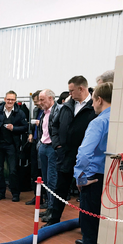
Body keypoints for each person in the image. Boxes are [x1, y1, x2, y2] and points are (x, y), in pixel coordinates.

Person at [70, 82, 112, 244]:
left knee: (89, 229)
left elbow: (84, 153)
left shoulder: (98, 122)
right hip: (111, 179)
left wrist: (80, 178)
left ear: (99, 99)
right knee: (105, 228)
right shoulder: (120, 120)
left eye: (93, 100)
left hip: (93, 179)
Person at [44, 76, 97, 227]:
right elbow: (54, 126)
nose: (70, 94)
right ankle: (53, 219)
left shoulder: (94, 107)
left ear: (81, 89)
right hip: (65, 155)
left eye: (72, 90)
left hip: (85, 158)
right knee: (60, 188)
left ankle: (84, 225)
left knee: (85, 191)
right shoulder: (67, 106)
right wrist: (57, 145)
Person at [0, 90, 28, 202]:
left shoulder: (20, 113)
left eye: (12, 99)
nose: (10, 101)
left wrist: (14, 128)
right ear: (4, 99)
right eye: (8, 99)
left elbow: (25, 127)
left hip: (12, 145)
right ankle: (0, 192)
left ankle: (15, 193)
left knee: (13, 170)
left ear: (15, 100)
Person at [36, 89, 60, 223]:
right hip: (43, 146)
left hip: (52, 148)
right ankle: (49, 206)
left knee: (52, 180)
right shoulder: (43, 113)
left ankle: (53, 209)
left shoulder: (58, 111)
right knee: (45, 179)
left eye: (42, 100)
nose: (40, 102)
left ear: (51, 98)